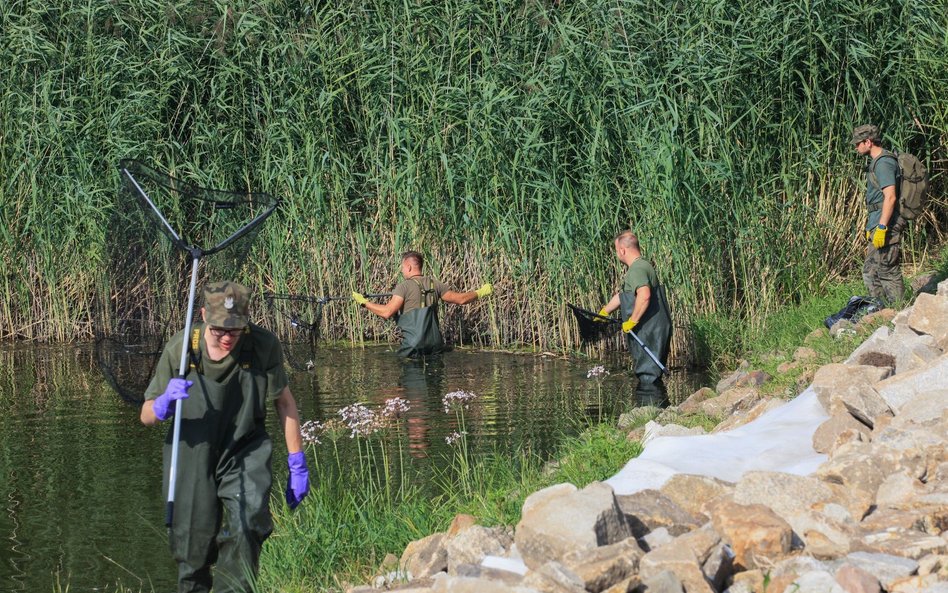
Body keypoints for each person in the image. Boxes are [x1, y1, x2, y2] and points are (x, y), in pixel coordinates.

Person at [141, 281, 309, 593]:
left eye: (236, 329)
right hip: (192, 456)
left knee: (247, 526)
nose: (228, 336)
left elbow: (285, 403)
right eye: (220, 329)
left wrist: (297, 462)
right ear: (204, 315)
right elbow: (146, 415)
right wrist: (163, 404)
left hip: (245, 451)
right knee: (192, 550)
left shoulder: (262, 345)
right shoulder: (181, 349)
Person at [352, 250, 492, 357]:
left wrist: (364, 302)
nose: (402, 270)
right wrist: (481, 292)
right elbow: (461, 299)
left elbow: (387, 313)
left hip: (414, 347)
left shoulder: (403, 287)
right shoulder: (435, 284)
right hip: (435, 345)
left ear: (409, 267)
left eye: (402, 267)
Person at [598, 230, 673, 403]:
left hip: (650, 329)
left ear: (623, 250)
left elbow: (644, 295)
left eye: (617, 250)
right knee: (650, 370)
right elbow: (624, 295)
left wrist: (632, 321)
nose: (617, 254)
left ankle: (651, 415)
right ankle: (655, 412)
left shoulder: (637, 269)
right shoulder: (641, 266)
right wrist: (604, 311)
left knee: (648, 373)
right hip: (653, 327)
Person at [853, 123, 905, 305]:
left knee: (887, 270)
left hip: (887, 224)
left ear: (868, 142)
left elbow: (890, 197)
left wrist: (882, 227)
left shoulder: (883, 163)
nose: (856, 147)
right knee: (871, 271)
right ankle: (881, 310)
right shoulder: (878, 162)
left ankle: (898, 311)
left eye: (858, 143)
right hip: (878, 222)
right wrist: (872, 226)